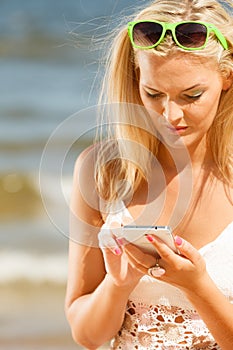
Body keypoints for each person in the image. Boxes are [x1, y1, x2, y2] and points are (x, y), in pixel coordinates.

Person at [65, 0, 233, 348]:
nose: (170, 114)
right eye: (153, 94)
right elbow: (87, 336)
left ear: (227, 77)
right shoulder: (102, 172)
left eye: (192, 95)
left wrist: (197, 286)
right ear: (135, 78)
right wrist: (118, 285)